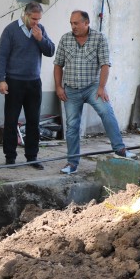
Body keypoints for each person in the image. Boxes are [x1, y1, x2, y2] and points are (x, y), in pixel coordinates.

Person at [54, 10, 126, 175]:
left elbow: (105, 64)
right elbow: (58, 65)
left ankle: (120, 149)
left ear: (86, 23)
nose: (73, 26)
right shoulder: (65, 39)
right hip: (71, 89)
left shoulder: (99, 38)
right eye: (71, 23)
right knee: (72, 126)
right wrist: (59, 87)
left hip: (93, 87)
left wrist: (101, 87)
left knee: (106, 111)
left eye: (76, 23)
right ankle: (72, 163)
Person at [0, 1, 55, 169]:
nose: (37, 22)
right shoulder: (10, 30)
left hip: (34, 82)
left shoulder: (40, 30)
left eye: (39, 19)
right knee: (11, 120)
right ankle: (10, 157)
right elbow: (1, 56)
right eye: (34, 19)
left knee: (33, 121)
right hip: (14, 81)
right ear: (26, 15)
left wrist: (40, 39)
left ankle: (32, 157)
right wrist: (1, 79)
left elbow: (50, 51)